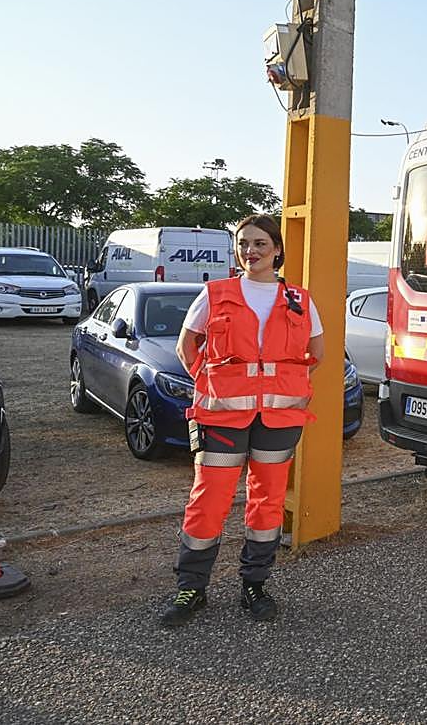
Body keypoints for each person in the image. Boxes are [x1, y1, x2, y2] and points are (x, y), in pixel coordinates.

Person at [161, 214, 324, 627]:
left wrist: (280, 384)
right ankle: (191, 588)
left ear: (277, 250)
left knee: (267, 501)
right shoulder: (215, 294)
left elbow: (316, 355)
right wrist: (212, 380)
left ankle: (255, 585)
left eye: (259, 244)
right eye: (243, 243)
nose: (250, 251)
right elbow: (187, 347)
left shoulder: (300, 300)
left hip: (278, 416)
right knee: (209, 500)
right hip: (221, 416)